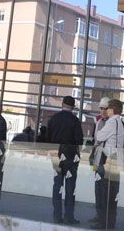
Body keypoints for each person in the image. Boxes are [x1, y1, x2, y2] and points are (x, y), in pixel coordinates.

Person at [46, 95, 84, 225]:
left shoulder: (53, 119)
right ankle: (69, 216)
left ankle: (57, 216)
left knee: (57, 185)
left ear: (62, 104)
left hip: (56, 156)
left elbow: (48, 138)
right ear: (73, 107)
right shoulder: (75, 121)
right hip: (71, 157)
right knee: (70, 187)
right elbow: (79, 140)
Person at [90, 99, 124, 229]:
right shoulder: (117, 122)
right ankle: (106, 221)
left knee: (105, 192)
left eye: (106, 108)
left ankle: (104, 222)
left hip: (108, 162)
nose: (104, 111)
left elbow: (98, 137)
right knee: (106, 192)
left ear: (111, 109)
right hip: (107, 161)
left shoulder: (111, 122)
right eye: (101, 108)